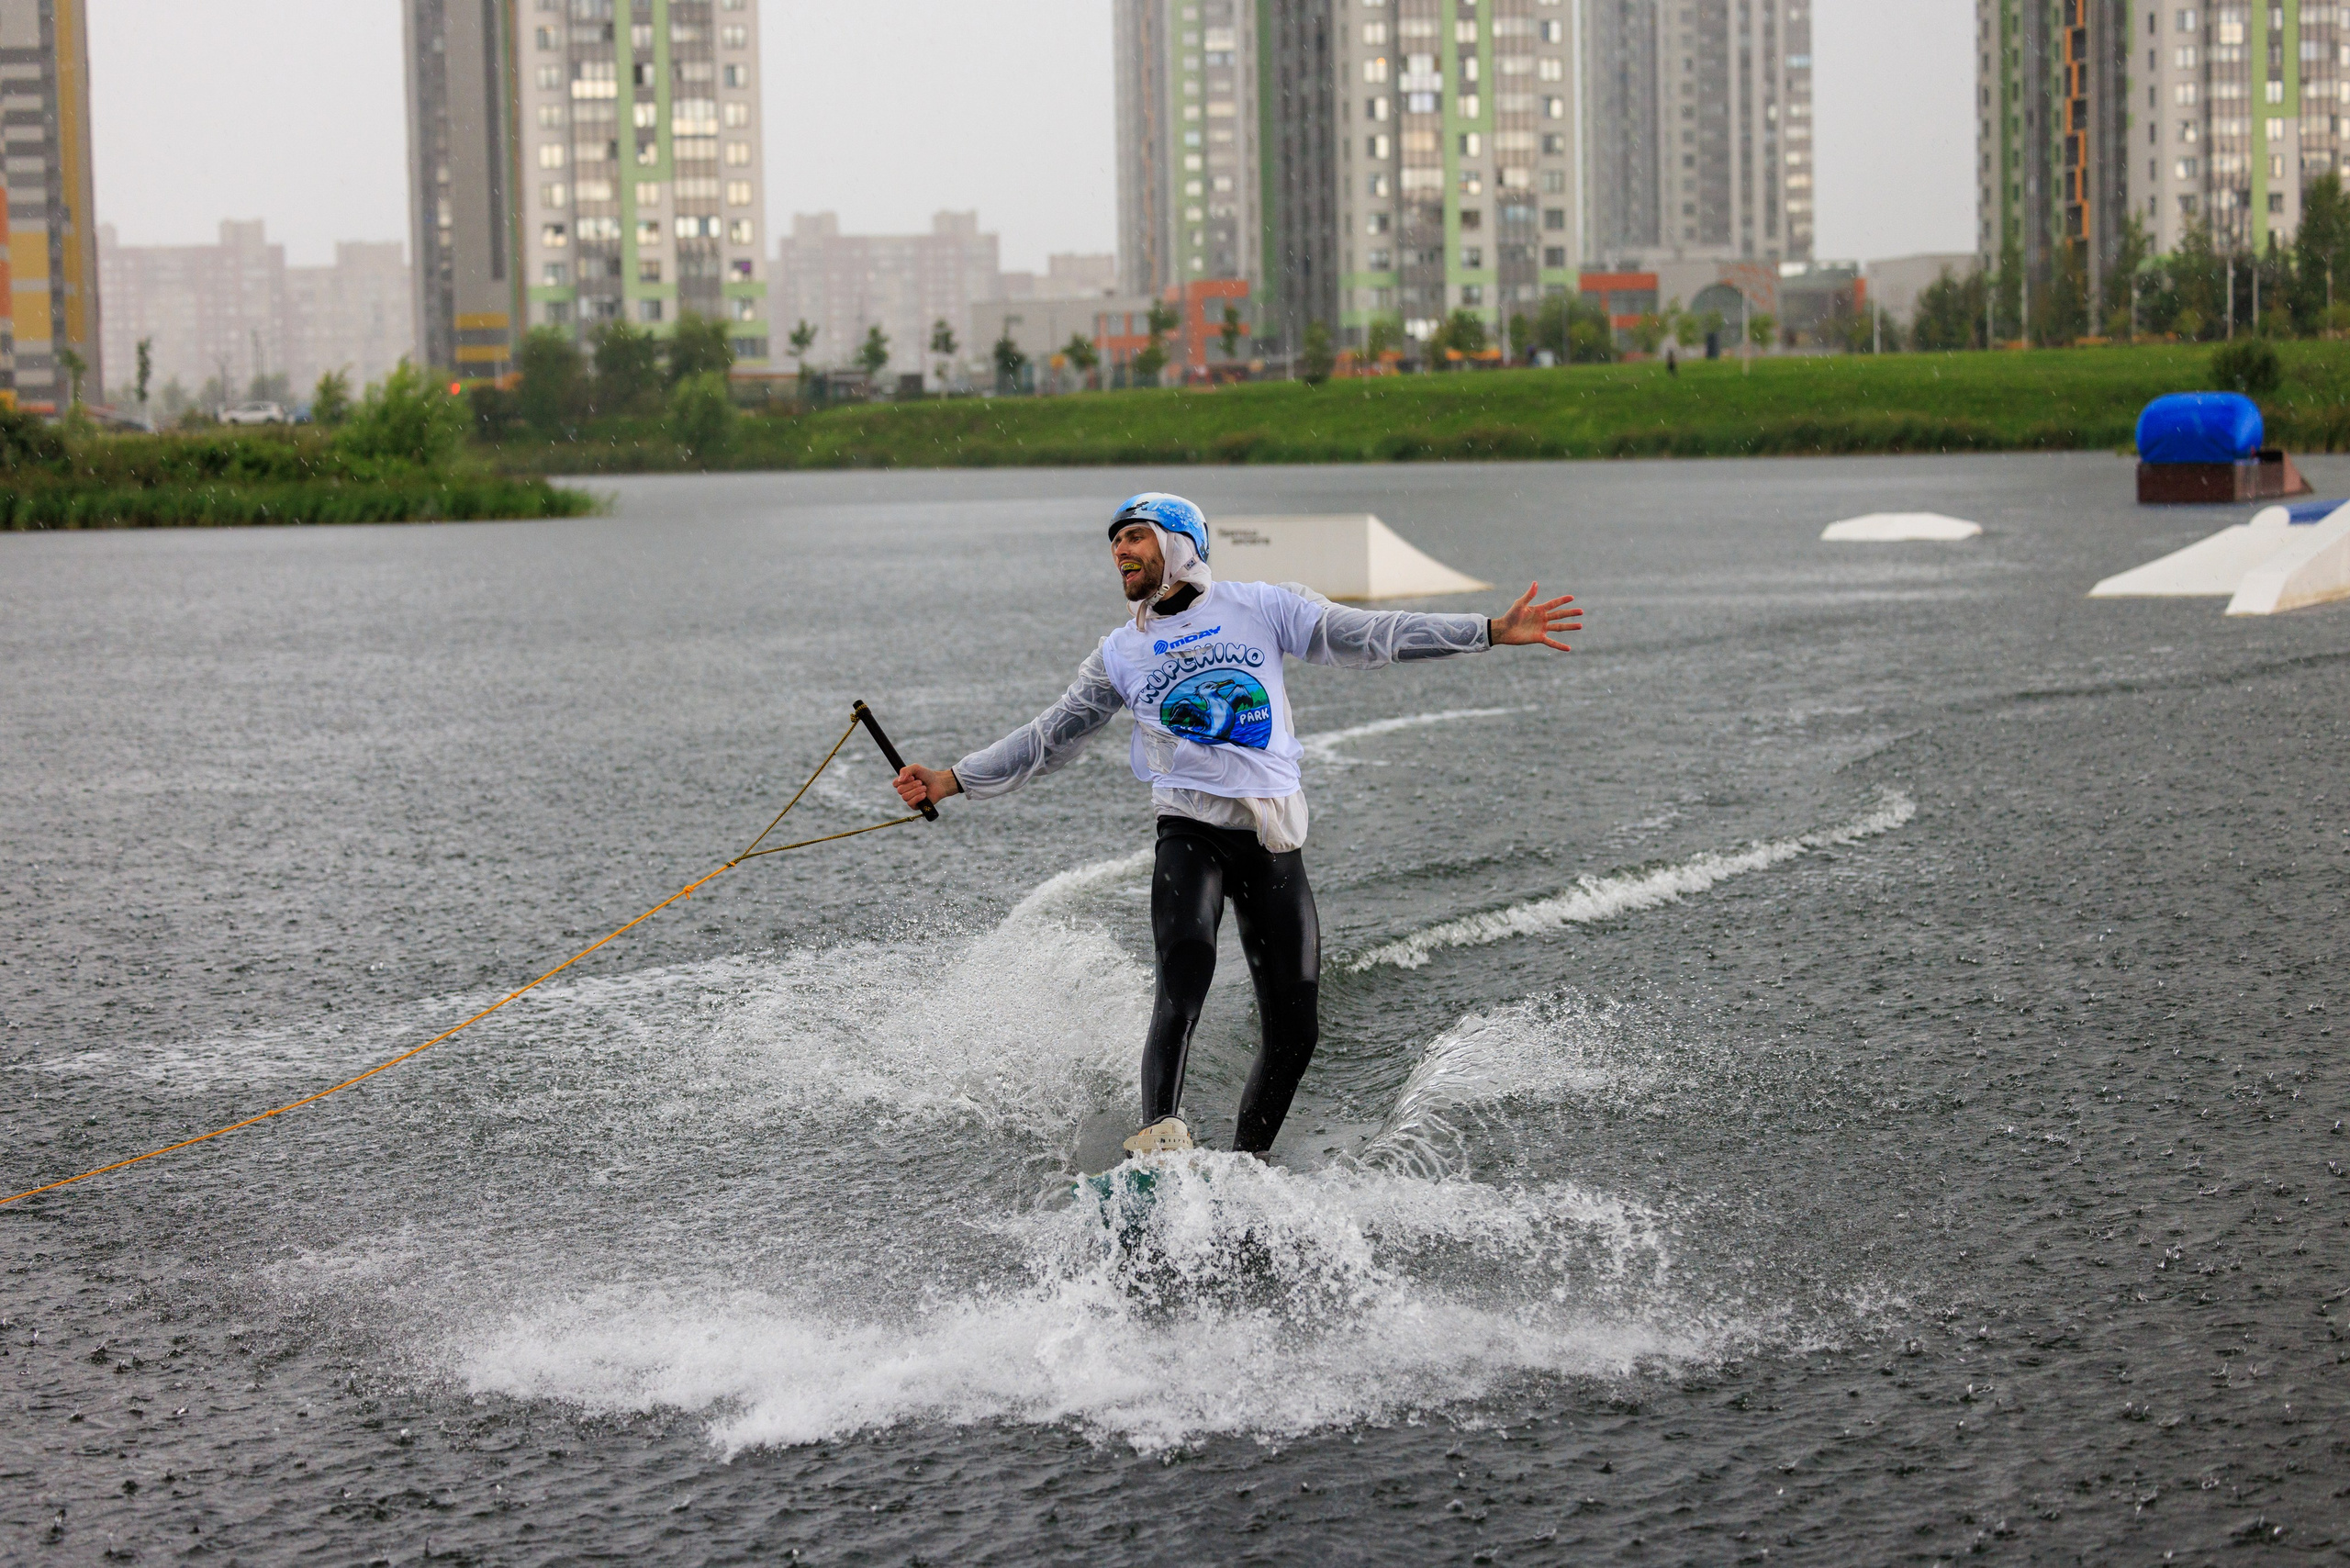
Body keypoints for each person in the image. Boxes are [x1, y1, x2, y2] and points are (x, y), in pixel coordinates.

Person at [891, 493, 1581, 1160]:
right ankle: (1160, 1133)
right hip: (1189, 828)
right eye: (1113, 542)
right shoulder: (1120, 653)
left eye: (1133, 536)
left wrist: (1488, 631)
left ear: (1178, 544)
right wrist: (953, 779)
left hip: (1273, 838)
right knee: (1185, 964)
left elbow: (1372, 636)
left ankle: (1246, 1165)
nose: (1119, 551)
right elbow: (1051, 737)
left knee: (1296, 1028)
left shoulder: (1263, 607)